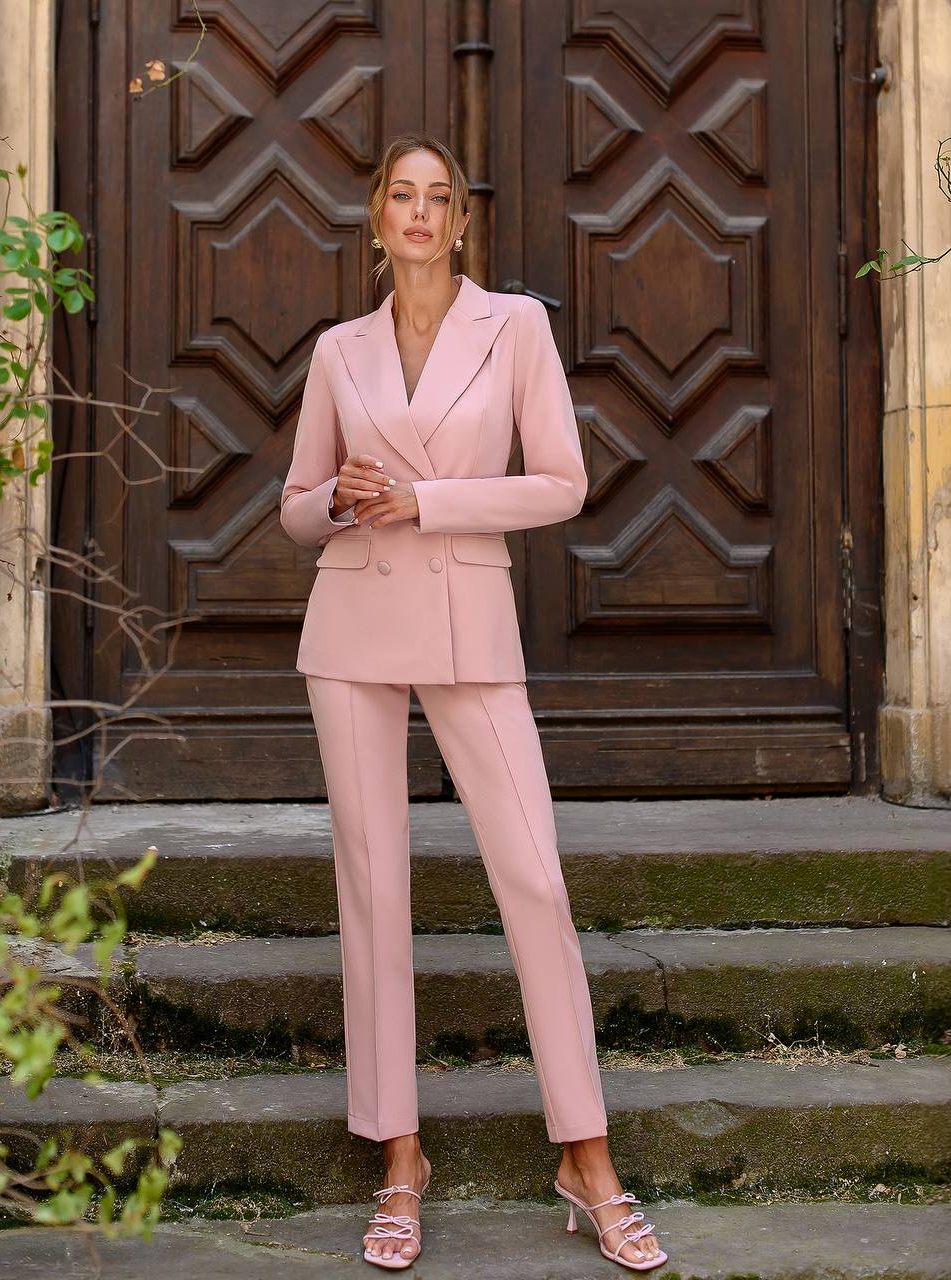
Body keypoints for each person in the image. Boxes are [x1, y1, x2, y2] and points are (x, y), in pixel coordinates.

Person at [280, 132, 667, 1273]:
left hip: (466, 617)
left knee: (534, 879)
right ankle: (400, 1156)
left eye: (436, 197)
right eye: (399, 194)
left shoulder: (516, 328)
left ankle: (586, 1155)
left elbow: (560, 481)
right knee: (373, 889)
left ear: (461, 222)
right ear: (375, 215)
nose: (417, 211)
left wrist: (425, 496)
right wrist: (346, 503)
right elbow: (298, 504)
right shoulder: (337, 349)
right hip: (350, 623)